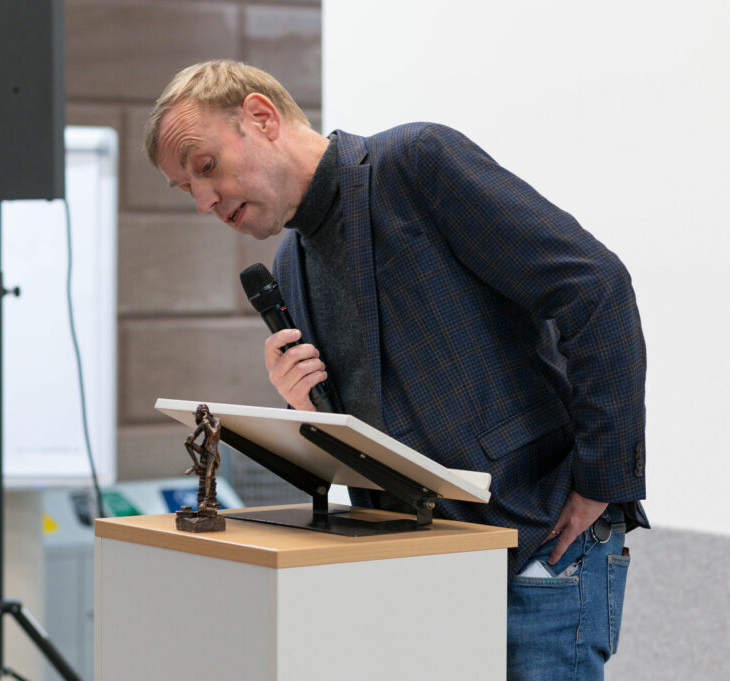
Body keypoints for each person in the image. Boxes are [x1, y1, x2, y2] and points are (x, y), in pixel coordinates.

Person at [144, 59, 647, 680]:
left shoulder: (416, 163)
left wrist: (601, 480)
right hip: (424, 573)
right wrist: (307, 410)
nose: (204, 202)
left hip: (541, 544)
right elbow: (376, 446)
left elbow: (595, 288)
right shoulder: (290, 264)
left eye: (206, 166)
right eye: (186, 189)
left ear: (261, 117)